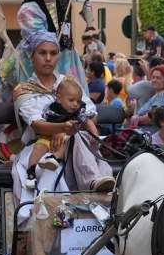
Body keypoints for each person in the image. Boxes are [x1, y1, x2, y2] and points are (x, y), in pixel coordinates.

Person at [12, 32, 115, 198]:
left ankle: (97, 189)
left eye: (53, 53)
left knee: (79, 139)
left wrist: (67, 131)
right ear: (32, 57)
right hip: (42, 146)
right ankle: (91, 184)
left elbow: (90, 115)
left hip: (78, 141)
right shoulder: (24, 90)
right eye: (42, 53)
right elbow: (37, 125)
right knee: (52, 167)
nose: (48, 58)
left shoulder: (69, 83)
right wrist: (62, 128)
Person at [25, 77, 92, 173]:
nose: (75, 104)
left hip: (67, 138)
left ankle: (55, 158)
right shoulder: (52, 109)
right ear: (59, 99)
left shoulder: (78, 112)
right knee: (38, 147)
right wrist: (56, 131)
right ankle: (30, 171)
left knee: (67, 141)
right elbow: (43, 124)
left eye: (78, 101)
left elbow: (87, 121)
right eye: (71, 100)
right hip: (48, 137)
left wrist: (95, 135)